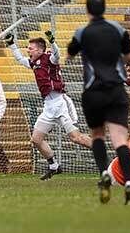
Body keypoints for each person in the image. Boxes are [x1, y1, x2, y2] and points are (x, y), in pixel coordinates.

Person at [67, 0, 130, 204]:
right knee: (120, 140)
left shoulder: (82, 32)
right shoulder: (118, 29)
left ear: (87, 11)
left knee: (97, 135)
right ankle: (128, 183)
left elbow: (70, 54)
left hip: (93, 92)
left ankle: (104, 174)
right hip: (116, 90)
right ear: (104, 8)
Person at [5, 30, 91, 181]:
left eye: (30, 48)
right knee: (36, 139)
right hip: (48, 106)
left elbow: (57, 54)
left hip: (61, 103)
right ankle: (54, 166)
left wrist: (52, 40)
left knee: (76, 138)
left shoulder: (50, 58)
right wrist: (12, 44)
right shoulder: (33, 62)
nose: (28, 50)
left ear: (39, 49)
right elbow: (19, 59)